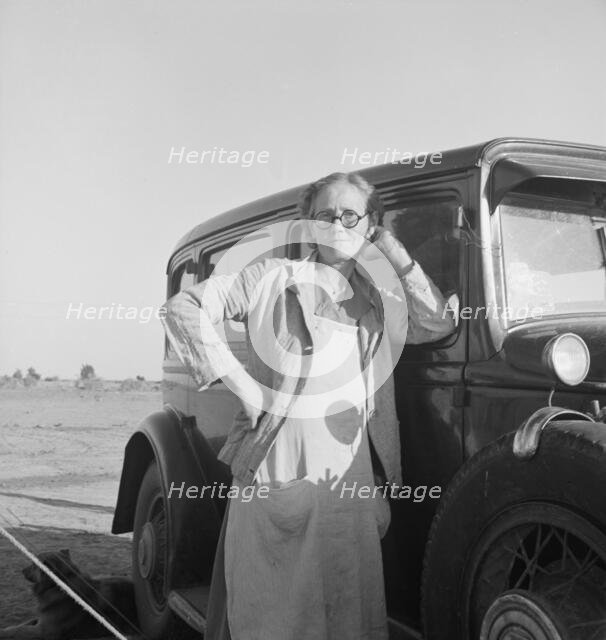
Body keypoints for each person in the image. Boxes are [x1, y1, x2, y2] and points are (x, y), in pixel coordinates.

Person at [160, 172, 455, 640]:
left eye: (351, 215)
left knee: (347, 614)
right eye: (324, 215)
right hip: (277, 475)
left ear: (371, 224)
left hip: (350, 484)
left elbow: (436, 323)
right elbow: (182, 309)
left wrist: (395, 254)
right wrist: (240, 383)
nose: (337, 224)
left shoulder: (382, 300)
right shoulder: (272, 278)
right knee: (274, 614)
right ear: (309, 224)